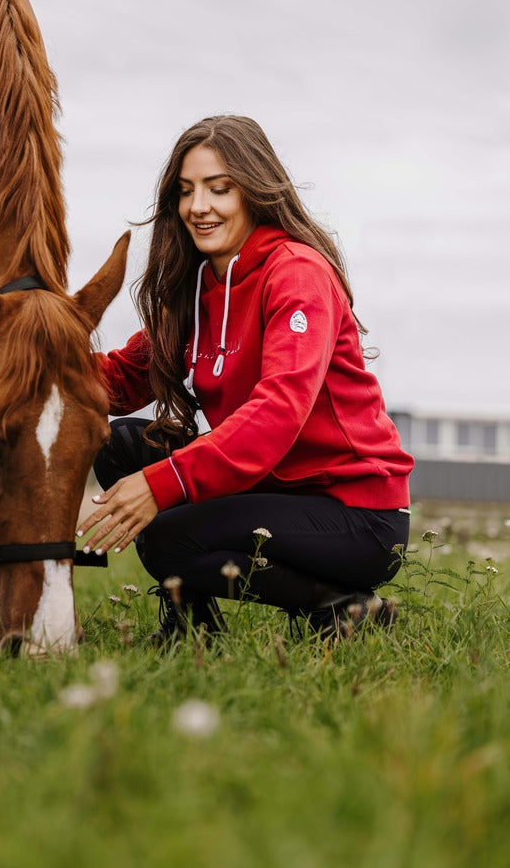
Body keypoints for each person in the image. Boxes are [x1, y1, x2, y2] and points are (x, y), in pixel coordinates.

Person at [77, 115, 413, 643]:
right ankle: (193, 628)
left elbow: (277, 413)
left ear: (254, 190)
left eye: (219, 188)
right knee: (119, 445)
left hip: (354, 513)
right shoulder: (198, 287)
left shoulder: (296, 274)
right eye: (186, 191)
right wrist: (29, 352)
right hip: (269, 491)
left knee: (167, 538)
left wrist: (163, 485)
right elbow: (119, 379)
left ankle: (342, 609)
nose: (199, 206)